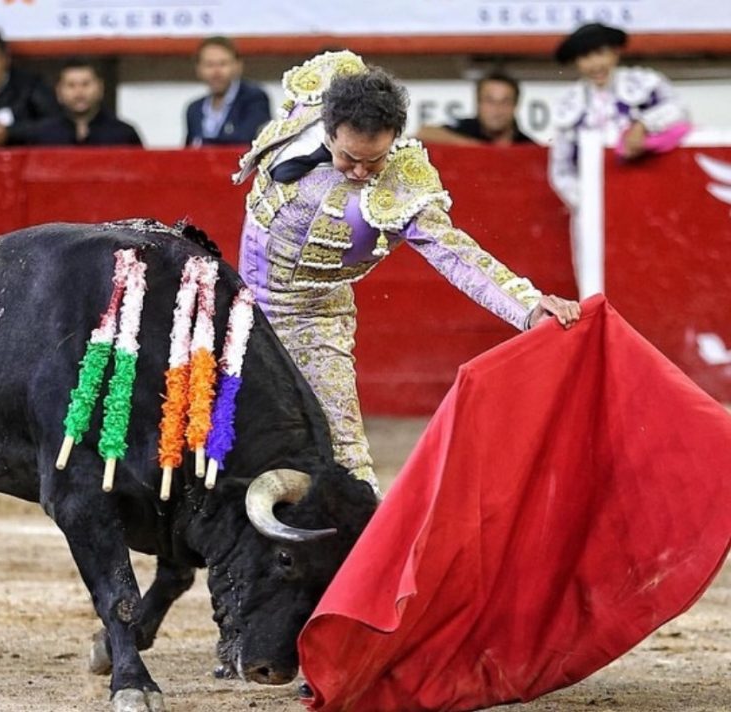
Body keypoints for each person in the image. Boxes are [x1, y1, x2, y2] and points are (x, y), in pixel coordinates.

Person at [234, 51, 580, 493]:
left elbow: (457, 255)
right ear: (327, 126)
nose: (361, 172)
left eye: (374, 160)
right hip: (237, 298)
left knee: (345, 456)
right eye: (349, 158)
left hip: (311, 318)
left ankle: (365, 555)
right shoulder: (319, 92)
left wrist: (530, 307)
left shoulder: (402, 188)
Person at [548, 23, 691, 295]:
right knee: (596, 284)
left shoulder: (645, 83)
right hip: (594, 214)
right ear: (577, 63)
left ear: (615, 53)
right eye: (586, 57)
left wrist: (644, 125)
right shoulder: (570, 103)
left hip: (650, 200)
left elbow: (680, 110)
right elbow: (562, 170)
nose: (595, 63)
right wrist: (590, 205)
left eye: (600, 53)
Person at [35, 57, 143, 146]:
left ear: (100, 88)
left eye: (85, 84)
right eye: (71, 85)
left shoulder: (123, 134)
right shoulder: (43, 136)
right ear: (59, 92)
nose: (79, 92)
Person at [184, 36, 271, 147]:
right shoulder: (194, 109)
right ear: (199, 69)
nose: (216, 72)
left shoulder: (254, 99)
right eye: (209, 65)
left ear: (238, 66)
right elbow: (188, 153)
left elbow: (246, 143)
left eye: (223, 64)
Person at [415, 72, 534, 146]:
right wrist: (474, 147)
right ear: (478, 103)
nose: (497, 109)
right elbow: (425, 132)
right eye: (489, 101)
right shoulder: (466, 129)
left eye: (505, 102)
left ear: (516, 105)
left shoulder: (527, 146)